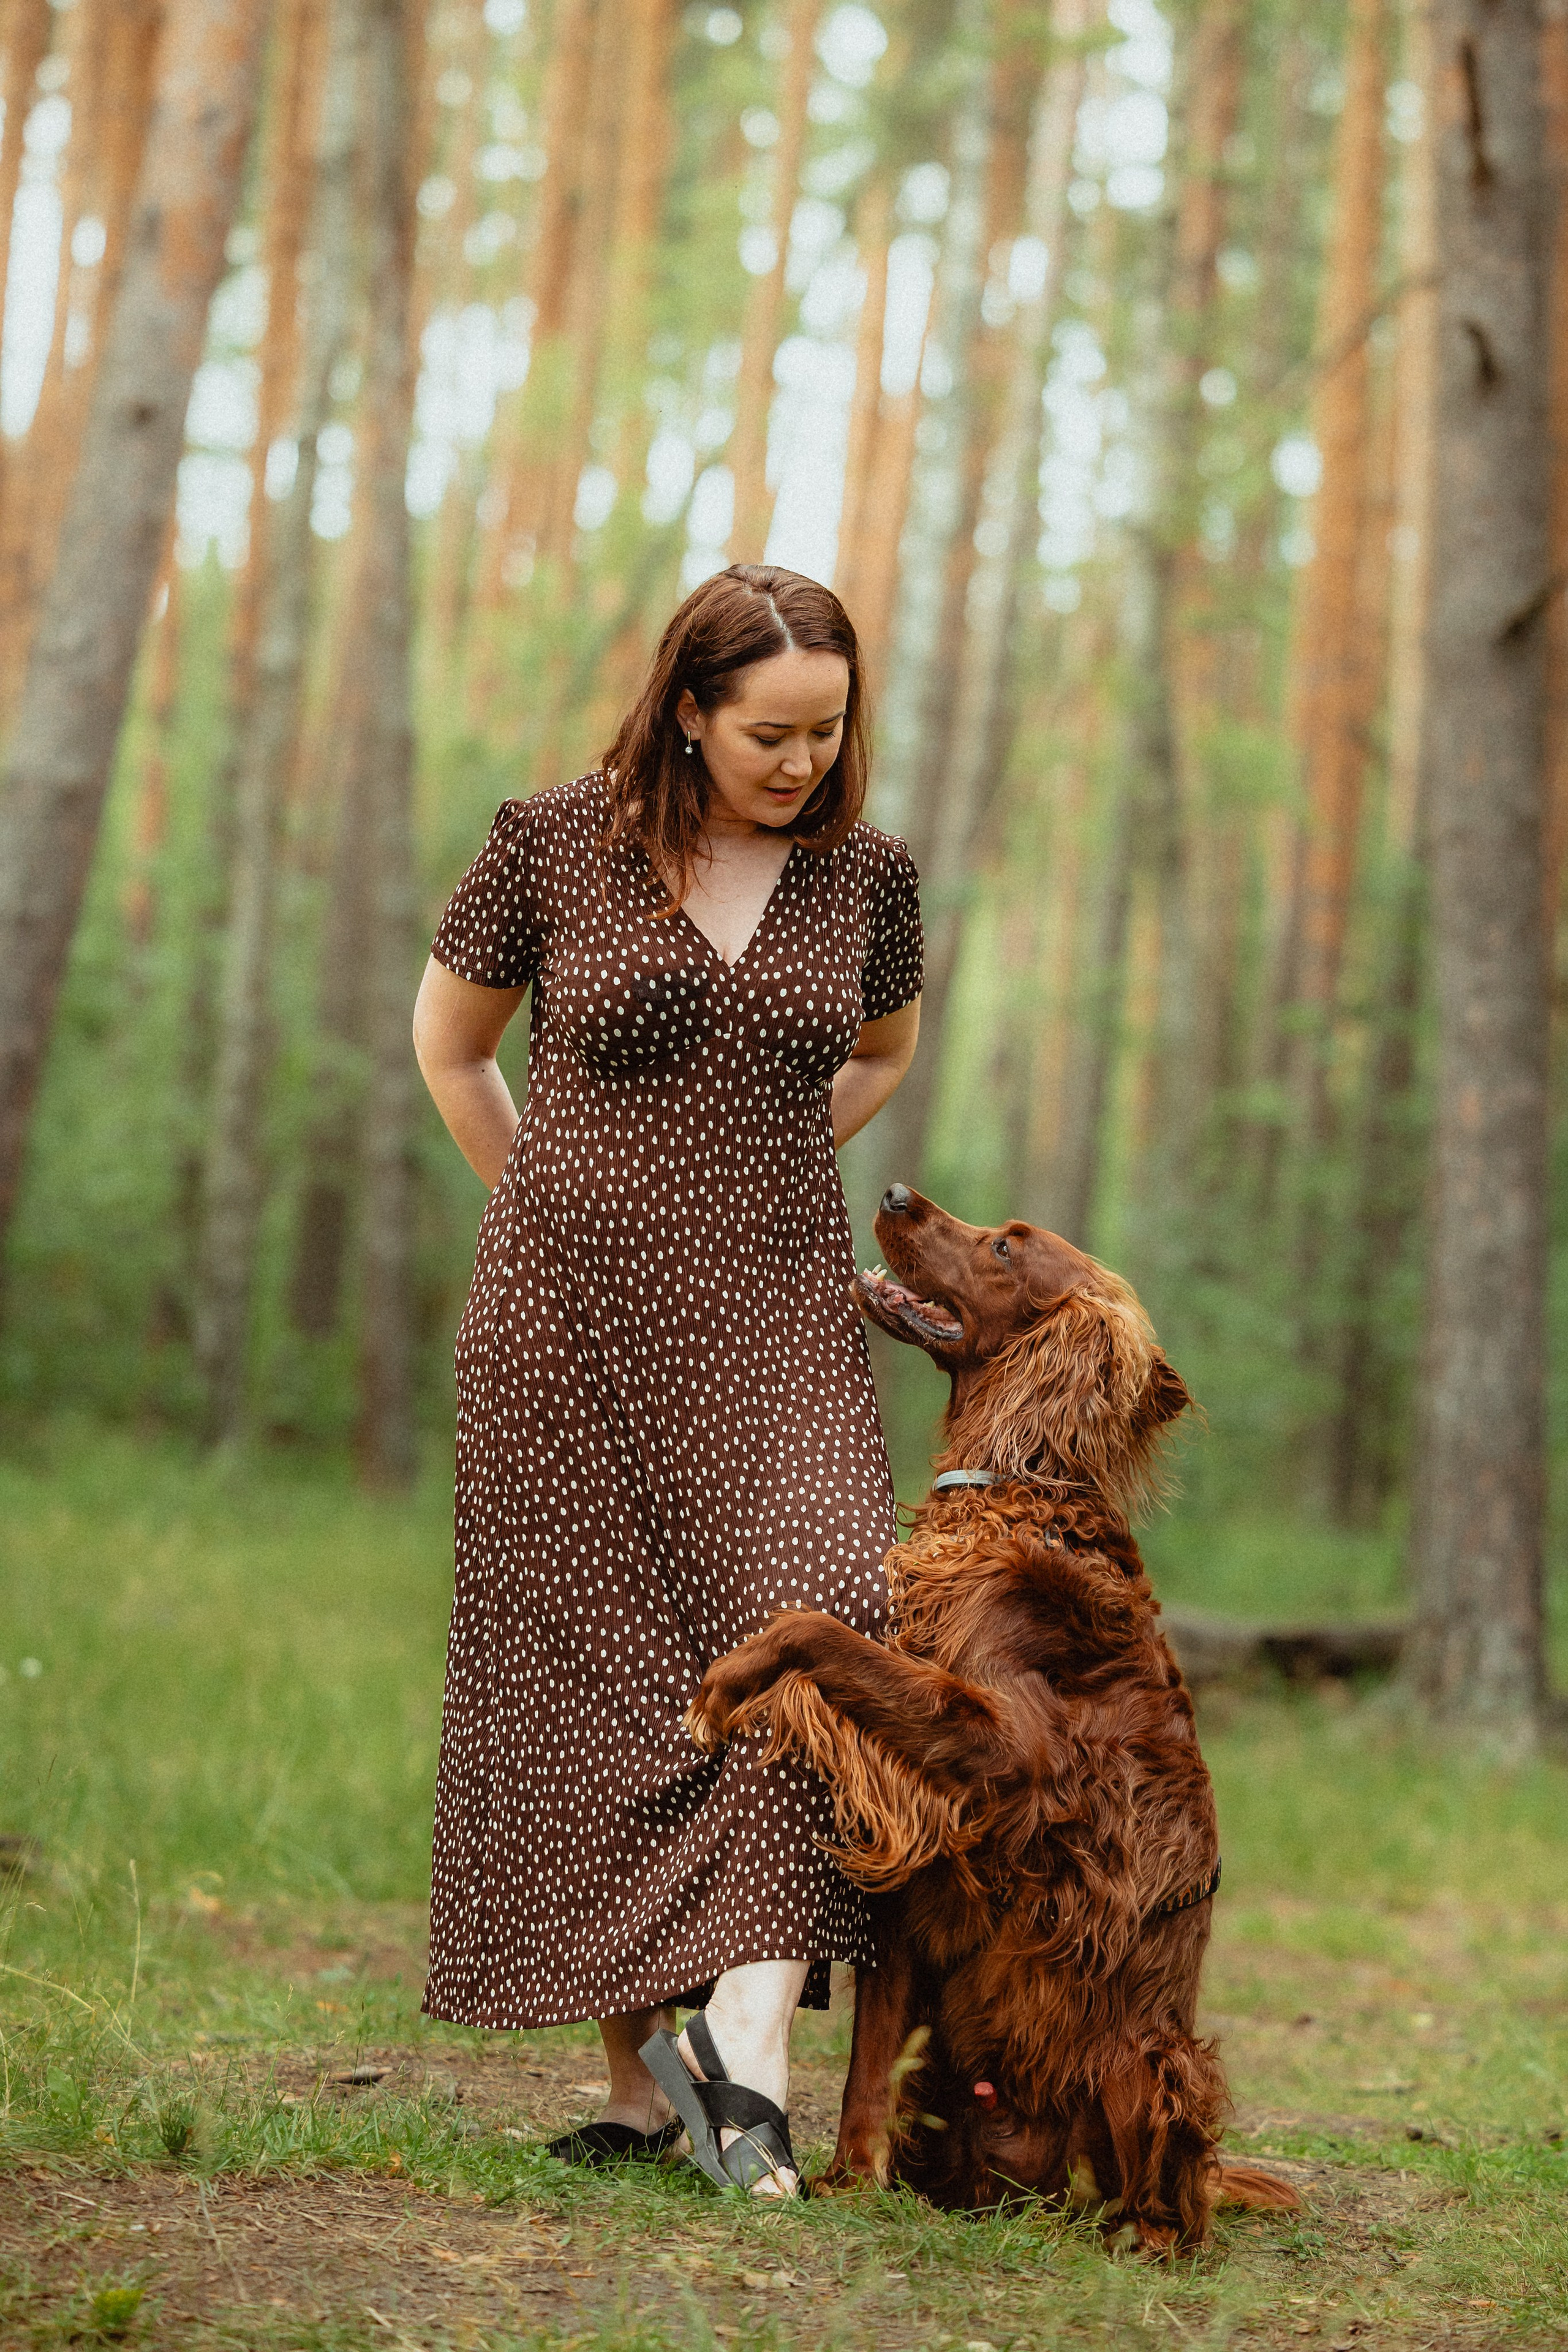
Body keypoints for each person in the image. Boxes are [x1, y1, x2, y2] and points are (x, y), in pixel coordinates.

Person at [412, 563, 922, 2196]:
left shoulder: (869, 878)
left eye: (828, 732)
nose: (802, 762)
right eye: (771, 731)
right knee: (607, 1682)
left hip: (778, 1313)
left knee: (826, 1624)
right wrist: (555, 1199)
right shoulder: (549, 842)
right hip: (564, 1324)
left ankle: (748, 2034)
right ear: (688, 711)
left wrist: (752, 1169)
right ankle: (642, 2090)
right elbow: (450, 1045)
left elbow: (887, 1051)